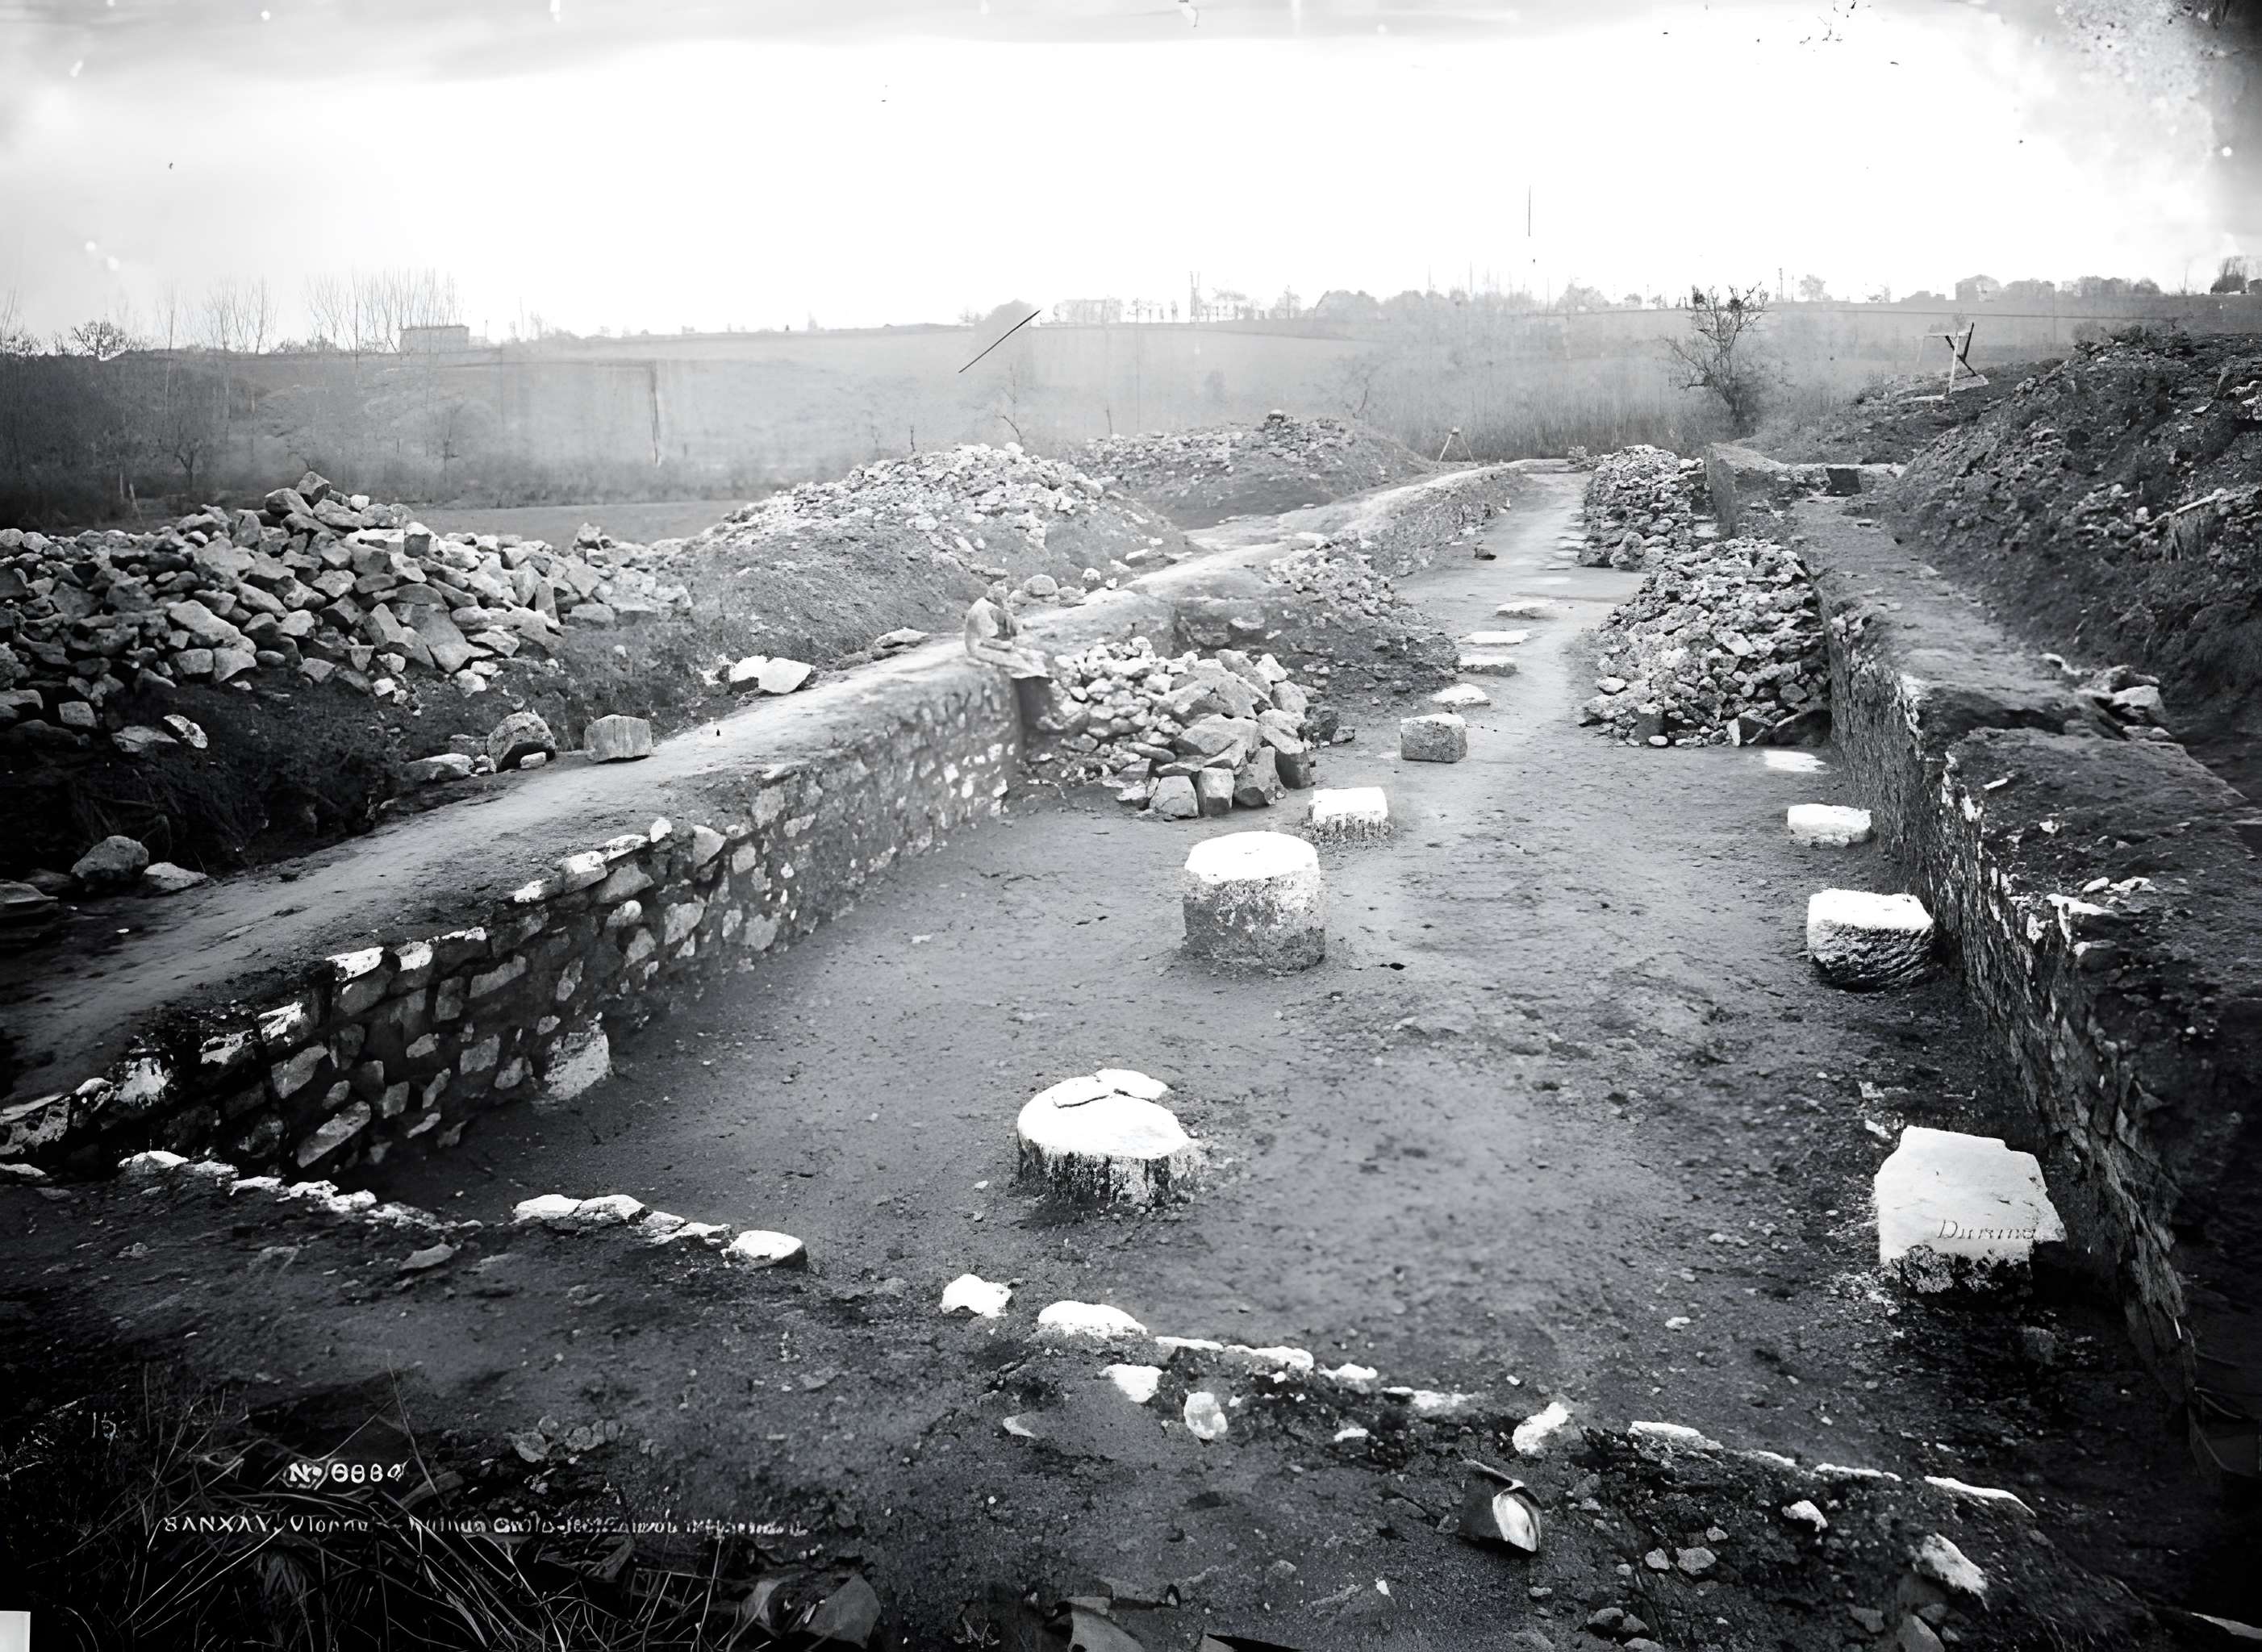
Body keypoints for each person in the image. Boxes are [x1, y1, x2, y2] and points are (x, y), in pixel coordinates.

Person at [963, 582, 1062, 734]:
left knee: (1035, 658)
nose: (1003, 592)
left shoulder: (997, 606)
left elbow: (1016, 630)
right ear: (991, 591)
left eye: (1004, 589)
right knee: (1022, 668)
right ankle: (1036, 717)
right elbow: (987, 640)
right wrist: (1007, 647)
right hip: (979, 648)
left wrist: (1006, 606)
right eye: (998, 589)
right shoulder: (982, 609)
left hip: (997, 644)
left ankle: (1048, 709)